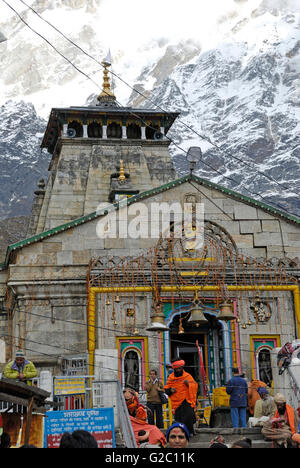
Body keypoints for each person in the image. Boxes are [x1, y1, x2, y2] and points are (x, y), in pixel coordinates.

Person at [164, 359, 198, 436]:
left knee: (189, 416)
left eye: (180, 368)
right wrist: (170, 390)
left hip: (187, 400)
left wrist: (189, 384)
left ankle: (191, 431)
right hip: (177, 403)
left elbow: (195, 385)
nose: (178, 370)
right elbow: (166, 389)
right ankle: (181, 434)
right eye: (177, 369)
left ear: (182, 368)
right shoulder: (171, 378)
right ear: (174, 369)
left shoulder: (187, 376)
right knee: (179, 419)